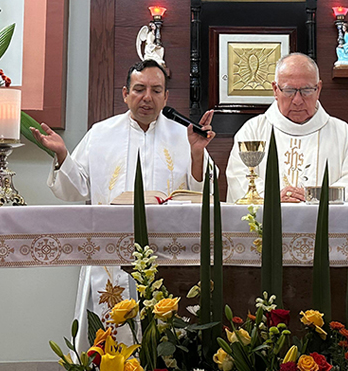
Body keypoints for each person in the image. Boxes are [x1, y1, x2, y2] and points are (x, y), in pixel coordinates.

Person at [31, 59, 214, 343]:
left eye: (156, 90)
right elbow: (75, 189)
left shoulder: (186, 136)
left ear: (166, 97)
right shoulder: (101, 133)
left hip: (168, 254)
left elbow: (204, 195)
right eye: (139, 89)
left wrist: (198, 155)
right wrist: (63, 156)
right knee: (113, 339)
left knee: (167, 341)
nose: (147, 98)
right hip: (111, 255)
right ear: (125, 93)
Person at [226, 53, 348, 203]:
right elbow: (238, 179)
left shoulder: (343, 134)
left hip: (322, 225)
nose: (297, 100)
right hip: (267, 225)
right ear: (275, 89)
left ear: (318, 89)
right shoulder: (252, 131)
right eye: (289, 91)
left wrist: (313, 197)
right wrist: (273, 199)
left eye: (306, 90)